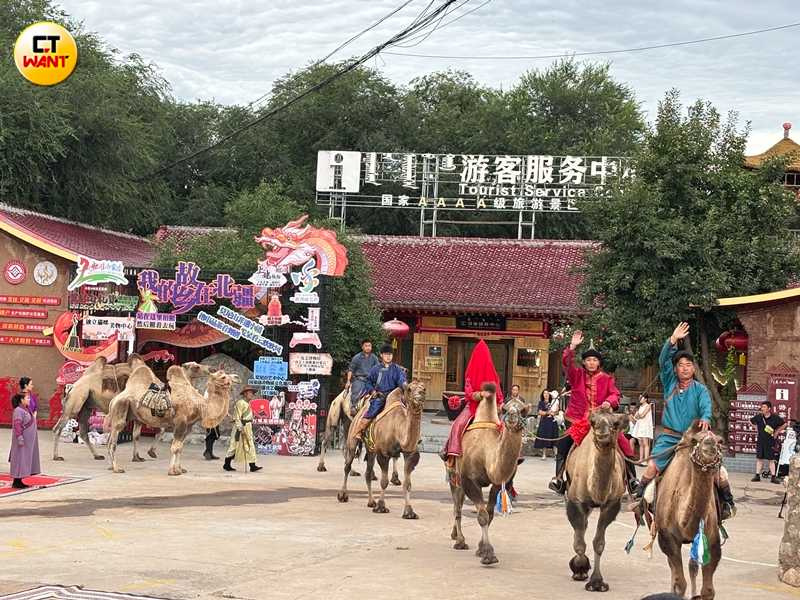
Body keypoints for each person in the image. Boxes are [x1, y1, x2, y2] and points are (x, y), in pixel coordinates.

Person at [634, 322, 735, 519]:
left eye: (689, 365)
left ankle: (727, 503)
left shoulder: (700, 389)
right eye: (680, 365)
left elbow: (706, 406)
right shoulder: (669, 383)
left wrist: (705, 417)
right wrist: (672, 340)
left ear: (693, 369)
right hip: (669, 438)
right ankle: (639, 499)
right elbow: (663, 360)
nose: (685, 368)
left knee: (717, 470)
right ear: (675, 369)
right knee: (652, 467)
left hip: (695, 438)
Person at [548, 330, 638, 495]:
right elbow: (567, 363)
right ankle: (559, 478)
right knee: (564, 444)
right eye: (588, 360)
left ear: (599, 363)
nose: (591, 363)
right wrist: (572, 347)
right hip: (579, 420)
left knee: (623, 442)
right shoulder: (576, 375)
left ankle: (632, 479)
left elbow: (615, 394)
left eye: (594, 360)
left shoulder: (607, 378)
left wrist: (609, 401)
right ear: (584, 362)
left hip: (602, 420)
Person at [440, 340, 504, 462]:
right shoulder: (471, 372)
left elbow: (498, 391)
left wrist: (500, 402)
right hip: (474, 406)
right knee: (458, 424)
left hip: (491, 408)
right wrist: (481, 394)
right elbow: (469, 394)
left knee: (506, 427)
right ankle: (452, 453)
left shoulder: (492, 373)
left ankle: (511, 456)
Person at [352, 344, 407, 442]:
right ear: (381, 355)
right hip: (380, 396)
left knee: (408, 410)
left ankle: (410, 435)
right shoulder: (375, 369)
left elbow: (401, 379)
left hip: (394, 396)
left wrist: (404, 384)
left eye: (390, 354)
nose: (388, 356)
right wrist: (372, 391)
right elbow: (368, 381)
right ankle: (359, 430)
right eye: (386, 354)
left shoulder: (397, 369)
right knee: (372, 410)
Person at [223, 386, 262, 472]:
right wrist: (240, 428)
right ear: (245, 394)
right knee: (234, 446)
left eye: (252, 393)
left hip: (248, 426)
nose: (252, 394)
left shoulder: (248, 403)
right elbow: (237, 417)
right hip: (241, 427)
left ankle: (252, 465)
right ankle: (226, 464)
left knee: (250, 444)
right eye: (250, 393)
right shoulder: (240, 403)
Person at [8, 394, 41, 488]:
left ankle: (19, 480)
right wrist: (19, 437)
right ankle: (16, 481)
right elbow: (17, 425)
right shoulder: (18, 411)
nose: (29, 400)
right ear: (21, 400)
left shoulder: (26, 409)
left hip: (28, 441)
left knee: (24, 459)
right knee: (20, 458)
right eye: (27, 398)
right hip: (21, 440)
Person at [750, 401, 786, 484]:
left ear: (769, 408)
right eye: (762, 407)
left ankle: (773, 477)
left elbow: (784, 424)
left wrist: (777, 432)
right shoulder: (759, 417)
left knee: (771, 459)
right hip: (760, 440)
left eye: (764, 407)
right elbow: (750, 421)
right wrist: (756, 428)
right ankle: (757, 476)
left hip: (770, 441)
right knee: (759, 459)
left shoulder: (775, 417)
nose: (762, 408)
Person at [346, 339, 380, 413]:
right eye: (366, 346)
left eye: (369, 346)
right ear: (362, 347)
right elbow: (351, 370)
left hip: (371, 380)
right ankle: (353, 407)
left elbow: (378, 369)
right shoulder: (357, 357)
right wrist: (348, 381)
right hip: (359, 380)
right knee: (356, 391)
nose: (368, 347)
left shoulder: (374, 358)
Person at [534, 389, 558, 459]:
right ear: (543, 395)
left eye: (547, 393)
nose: (546, 395)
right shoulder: (541, 403)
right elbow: (540, 412)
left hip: (552, 422)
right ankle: (544, 454)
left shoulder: (553, 401)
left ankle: (556, 454)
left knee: (554, 437)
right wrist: (547, 413)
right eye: (544, 393)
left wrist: (554, 412)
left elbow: (557, 411)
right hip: (544, 422)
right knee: (544, 437)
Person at [631, 393, 654, 462]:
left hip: (645, 426)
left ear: (645, 399)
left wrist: (638, 415)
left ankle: (646, 460)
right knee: (640, 444)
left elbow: (642, 415)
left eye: (641, 398)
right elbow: (636, 417)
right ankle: (641, 459)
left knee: (645, 443)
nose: (640, 399)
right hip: (640, 426)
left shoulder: (648, 406)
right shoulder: (640, 407)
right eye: (639, 398)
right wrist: (636, 415)